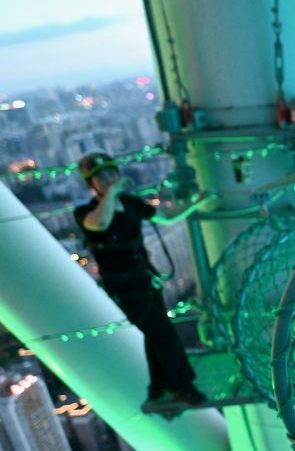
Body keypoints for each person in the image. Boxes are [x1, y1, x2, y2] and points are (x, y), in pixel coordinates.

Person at [74, 151, 207, 408]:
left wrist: (197, 202)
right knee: (161, 332)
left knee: (154, 333)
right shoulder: (86, 212)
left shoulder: (131, 204)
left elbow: (165, 217)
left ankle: (159, 386)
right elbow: (100, 224)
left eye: (112, 174)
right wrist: (112, 193)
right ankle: (183, 385)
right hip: (124, 287)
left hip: (146, 280)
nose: (109, 179)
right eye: (102, 177)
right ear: (92, 185)